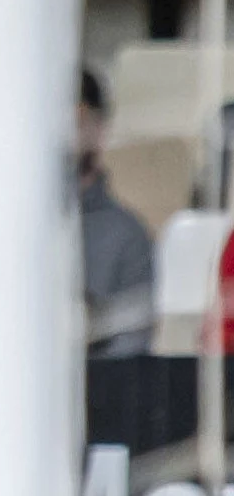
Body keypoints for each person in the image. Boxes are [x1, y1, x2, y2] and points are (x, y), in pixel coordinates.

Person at [79, 69, 157, 357]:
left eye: (76, 118)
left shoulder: (126, 236)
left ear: (99, 128)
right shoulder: (1, 233)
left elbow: (129, 353)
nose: (62, 130)